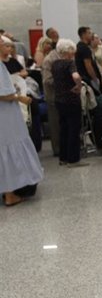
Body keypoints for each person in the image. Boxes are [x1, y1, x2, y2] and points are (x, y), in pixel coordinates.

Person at [0, 35, 43, 206]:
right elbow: (3, 94)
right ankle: (10, 193)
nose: (8, 48)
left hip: (6, 114)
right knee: (8, 149)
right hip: (5, 115)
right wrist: (20, 98)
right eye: (4, 45)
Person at [52, 39, 88, 168]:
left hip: (59, 100)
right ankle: (73, 159)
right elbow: (76, 76)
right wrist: (78, 86)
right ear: (68, 51)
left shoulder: (55, 64)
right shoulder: (70, 63)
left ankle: (63, 158)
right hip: (71, 99)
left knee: (64, 129)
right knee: (74, 128)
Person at [75, 26, 100, 93]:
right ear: (83, 35)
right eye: (89, 33)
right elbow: (88, 65)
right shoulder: (84, 48)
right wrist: (94, 78)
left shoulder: (79, 46)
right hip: (87, 78)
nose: (91, 35)